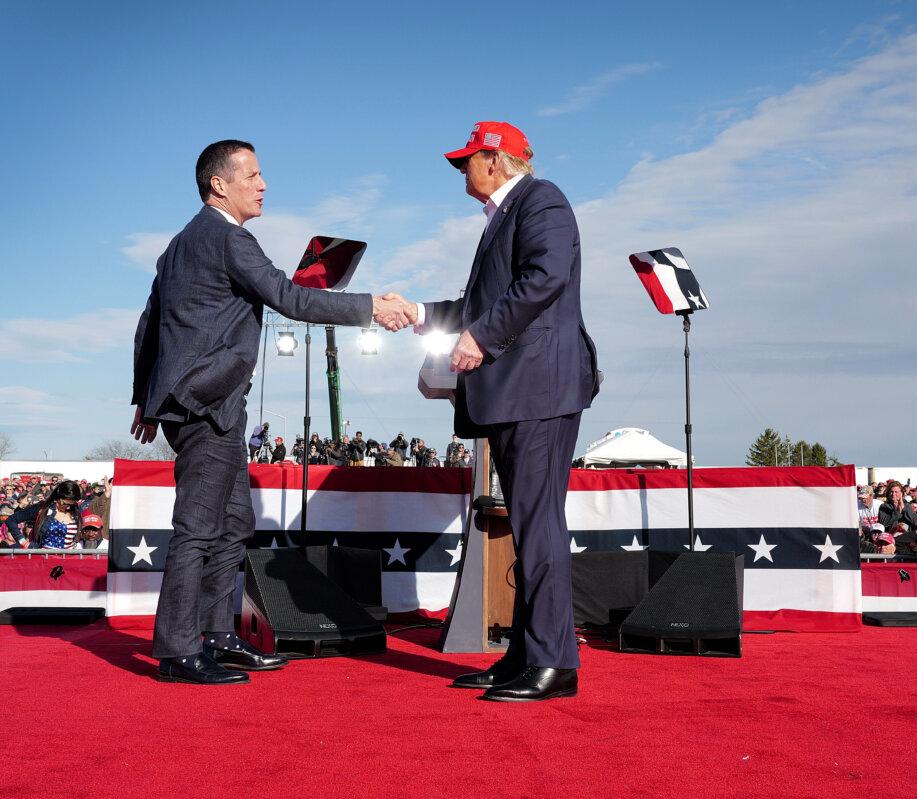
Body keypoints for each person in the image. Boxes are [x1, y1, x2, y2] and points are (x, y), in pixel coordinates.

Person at [130, 139, 414, 686]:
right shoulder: (228, 239)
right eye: (254, 175)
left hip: (198, 401)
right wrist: (371, 308)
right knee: (198, 528)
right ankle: (177, 650)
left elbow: (149, 322)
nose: (263, 185)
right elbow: (292, 298)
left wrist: (145, 395)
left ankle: (217, 636)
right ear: (220, 184)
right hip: (206, 403)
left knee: (234, 521)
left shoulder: (178, 245)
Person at [390, 121, 600, 701]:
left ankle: (555, 663)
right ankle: (527, 655)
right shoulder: (506, 216)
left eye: (468, 161)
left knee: (537, 526)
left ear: (496, 159)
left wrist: (480, 338)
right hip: (520, 390)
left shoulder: (542, 200)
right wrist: (416, 312)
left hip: (538, 389)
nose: (462, 172)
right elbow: (477, 304)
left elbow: (544, 278)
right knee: (531, 526)